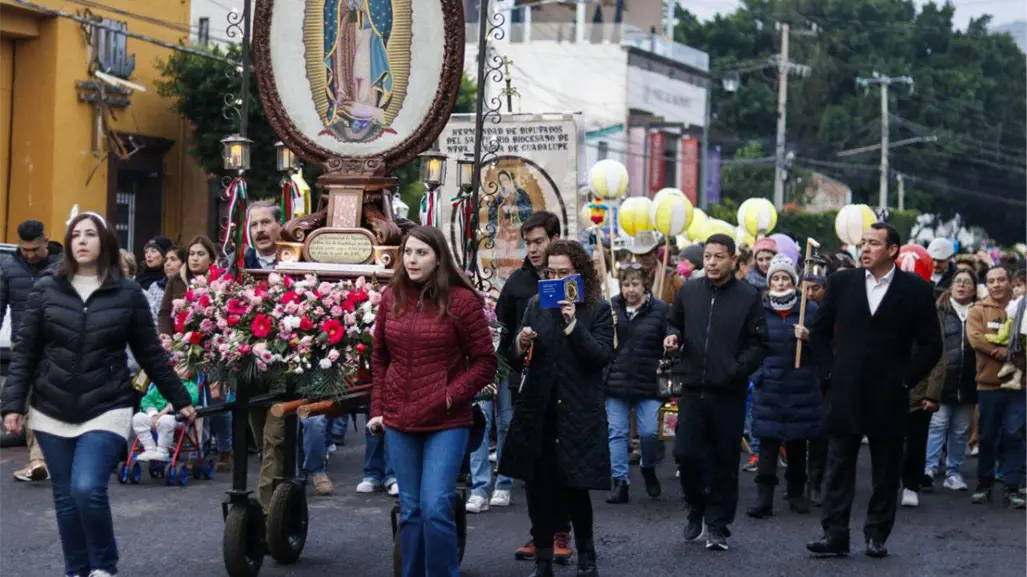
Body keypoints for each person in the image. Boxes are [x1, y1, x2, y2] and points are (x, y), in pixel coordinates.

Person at [0, 211, 196, 577]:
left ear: (104, 242)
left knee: (87, 488)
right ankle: (77, 570)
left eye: (90, 234)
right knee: (65, 497)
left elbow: (150, 353)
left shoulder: (128, 293)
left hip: (107, 405)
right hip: (51, 406)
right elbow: (25, 351)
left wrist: (181, 399)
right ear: (68, 244)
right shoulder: (46, 288)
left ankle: (103, 566)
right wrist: (12, 404)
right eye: (76, 235)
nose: (82, 241)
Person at [806, 222, 942, 559]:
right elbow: (818, 332)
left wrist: (906, 379)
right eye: (863, 243)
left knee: (886, 468)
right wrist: (829, 371)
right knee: (839, 466)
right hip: (845, 390)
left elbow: (931, 346)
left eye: (873, 243)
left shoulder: (915, 290)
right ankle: (834, 535)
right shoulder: (842, 283)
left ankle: (877, 534)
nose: (865, 249)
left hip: (889, 394)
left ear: (892, 250)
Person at [369, 226, 497, 577]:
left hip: (447, 420)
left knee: (436, 507)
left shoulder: (462, 301)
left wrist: (449, 396)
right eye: (408, 252)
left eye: (421, 253)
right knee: (410, 511)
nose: (412, 260)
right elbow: (379, 358)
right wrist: (377, 409)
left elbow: (486, 362)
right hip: (399, 419)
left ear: (439, 258)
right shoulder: (391, 297)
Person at [500, 239, 614, 577]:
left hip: (578, 410)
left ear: (579, 273)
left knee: (575, 487)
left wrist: (573, 325)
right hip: (540, 408)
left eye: (564, 273)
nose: (556, 278)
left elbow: (600, 357)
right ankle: (543, 559)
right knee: (538, 488)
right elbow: (516, 358)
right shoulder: (536, 304)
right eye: (550, 272)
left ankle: (587, 554)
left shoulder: (598, 308)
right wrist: (520, 343)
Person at [664, 233, 767, 551]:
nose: (711, 262)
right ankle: (696, 505)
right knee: (686, 454)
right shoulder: (689, 291)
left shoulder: (748, 296)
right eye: (707, 256)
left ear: (733, 260)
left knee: (725, 459)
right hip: (693, 387)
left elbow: (759, 344)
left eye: (719, 257)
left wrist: (737, 368)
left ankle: (718, 524)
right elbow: (673, 323)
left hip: (729, 392)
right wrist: (672, 337)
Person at [490, 211, 575, 563]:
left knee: (563, 461)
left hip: (567, 385)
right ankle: (539, 532)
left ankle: (561, 531)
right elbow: (502, 331)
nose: (533, 249)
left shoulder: (574, 279)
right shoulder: (518, 283)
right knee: (531, 462)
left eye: (539, 241)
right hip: (526, 382)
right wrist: (512, 355)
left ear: (555, 238)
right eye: (528, 243)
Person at [746, 254, 821, 519]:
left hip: (801, 387)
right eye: (775, 278)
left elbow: (825, 347)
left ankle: (796, 494)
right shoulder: (759, 310)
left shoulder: (809, 310)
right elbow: (749, 345)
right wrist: (758, 375)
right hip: (769, 387)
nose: (780, 283)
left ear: (794, 281)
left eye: (785, 278)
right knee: (767, 446)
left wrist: (809, 337)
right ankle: (763, 498)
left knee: (798, 445)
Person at [157, 235, 234, 473]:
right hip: (183, 347)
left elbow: (229, 314)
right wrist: (166, 334)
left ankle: (225, 448)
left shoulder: (220, 281)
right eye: (191, 254)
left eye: (201, 254)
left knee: (216, 400)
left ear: (211, 258)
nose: (195, 258)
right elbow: (164, 312)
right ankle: (195, 449)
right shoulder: (176, 281)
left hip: (213, 348)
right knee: (190, 399)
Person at [1, 219, 62, 483]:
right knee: (30, 401)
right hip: (23, 344)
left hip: (57, 343)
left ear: (45, 242)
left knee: (49, 399)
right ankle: (38, 459)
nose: (29, 255)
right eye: (25, 250)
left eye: (35, 249)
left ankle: (43, 458)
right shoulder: (9, 266)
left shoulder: (62, 265)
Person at [604, 261, 669, 504]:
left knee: (649, 432)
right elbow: (600, 340)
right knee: (617, 433)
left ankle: (648, 467)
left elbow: (671, 338)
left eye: (635, 284)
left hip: (648, 381)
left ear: (645, 285)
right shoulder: (611, 307)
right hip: (616, 380)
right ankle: (620, 482)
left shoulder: (660, 310)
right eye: (625, 284)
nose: (630, 290)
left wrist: (671, 342)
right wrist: (607, 325)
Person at [967, 266, 1026, 507]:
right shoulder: (978, 310)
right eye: (991, 281)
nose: (996, 284)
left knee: (1014, 435)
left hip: (1020, 385)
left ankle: (1013, 487)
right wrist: (1000, 352)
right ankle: (984, 484)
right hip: (988, 385)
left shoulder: (1022, 306)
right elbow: (976, 339)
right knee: (988, 435)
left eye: (1001, 279)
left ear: (1010, 282)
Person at [924, 269, 979, 493]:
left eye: (967, 282)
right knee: (937, 425)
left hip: (970, 381)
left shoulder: (979, 313)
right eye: (958, 281)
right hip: (943, 380)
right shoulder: (940, 311)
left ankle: (953, 472)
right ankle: (929, 468)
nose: (961, 286)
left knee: (960, 430)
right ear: (951, 285)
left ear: (974, 289)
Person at [132, 375, 201, 461]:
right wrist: (153, 413)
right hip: (156, 416)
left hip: (178, 418)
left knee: (164, 419)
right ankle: (150, 449)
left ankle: (162, 451)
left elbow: (193, 399)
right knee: (138, 418)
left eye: (179, 367)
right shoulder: (162, 384)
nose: (175, 369)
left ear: (188, 372)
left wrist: (171, 407)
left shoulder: (190, 386)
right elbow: (147, 399)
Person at [145, 246, 184, 324]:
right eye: (165, 260)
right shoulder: (155, 287)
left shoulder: (192, 286)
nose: (167, 264)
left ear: (184, 263)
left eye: (173, 259)